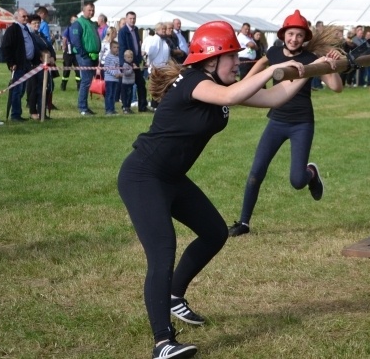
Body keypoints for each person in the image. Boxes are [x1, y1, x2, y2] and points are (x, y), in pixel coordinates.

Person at [117, 20, 312, 359]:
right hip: (143, 176)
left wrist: (311, 68)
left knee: (214, 233)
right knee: (162, 252)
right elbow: (232, 95)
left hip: (172, 177)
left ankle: (174, 296)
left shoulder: (219, 84)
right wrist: (272, 67)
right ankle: (162, 343)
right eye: (231, 57)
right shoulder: (197, 82)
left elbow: (274, 97)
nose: (237, 63)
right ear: (211, 58)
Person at [228, 10, 343, 237]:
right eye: (291, 34)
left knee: (297, 181)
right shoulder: (273, 52)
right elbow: (259, 67)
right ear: (283, 34)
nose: (294, 39)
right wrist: (243, 85)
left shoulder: (311, 59)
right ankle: (244, 222)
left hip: (301, 123)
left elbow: (336, 87)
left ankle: (311, 172)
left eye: (299, 35)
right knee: (256, 172)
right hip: (276, 121)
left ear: (305, 37)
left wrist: (333, 65)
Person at [2, 8, 37, 122]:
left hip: (27, 63)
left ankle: (17, 113)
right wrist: (11, 63)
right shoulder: (13, 29)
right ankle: (15, 115)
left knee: (22, 90)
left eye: (27, 16)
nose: (26, 18)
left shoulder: (26, 29)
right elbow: (6, 47)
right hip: (18, 64)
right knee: (17, 90)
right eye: (24, 16)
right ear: (16, 17)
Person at [70, 2, 101, 116]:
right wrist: (83, 54)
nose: (91, 12)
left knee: (88, 81)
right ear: (83, 10)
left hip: (93, 56)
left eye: (93, 10)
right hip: (85, 56)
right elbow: (75, 40)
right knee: (86, 81)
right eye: (89, 10)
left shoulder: (92, 24)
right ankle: (82, 107)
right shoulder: (78, 23)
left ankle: (85, 106)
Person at [118, 11, 149, 112]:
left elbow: (137, 46)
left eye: (134, 18)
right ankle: (126, 107)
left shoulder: (135, 30)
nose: (132, 20)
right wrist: (128, 63)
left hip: (136, 62)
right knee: (127, 86)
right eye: (130, 18)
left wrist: (139, 59)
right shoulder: (123, 31)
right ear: (126, 19)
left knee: (141, 84)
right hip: (127, 63)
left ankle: (142, 107)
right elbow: (123, 48)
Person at [60, 15, 80, 92]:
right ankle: (63, 85)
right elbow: (64, 38)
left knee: (78, 70)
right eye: (73, 20)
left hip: (77, 53)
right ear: (71, 21)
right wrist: (64, 47)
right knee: (67, 69)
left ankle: (79, 85)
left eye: (76, 20)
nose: (75, 22)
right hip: (68, 53)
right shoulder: (68, 29)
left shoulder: (79, 29)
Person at [102, 41, 121, 116]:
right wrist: (114, 74)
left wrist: (119, 73)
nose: (116, 49)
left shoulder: (117, 58)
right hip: (109, 79)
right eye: (114, 47)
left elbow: (117, 67)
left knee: (113, 95)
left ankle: (112, 109)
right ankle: (108, 110)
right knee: (109, 94)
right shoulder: (108, 57)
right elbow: (106, 68)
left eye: (117, 47)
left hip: (115, 79)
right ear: (110, 48)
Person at [120, 49, 136, 114]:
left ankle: (128, 107)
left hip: (131, 83)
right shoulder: (125, 65)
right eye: (128, 57)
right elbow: (126, 73)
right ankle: (125, 107)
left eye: (131, 57)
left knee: (130, 96)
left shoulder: (132, 64)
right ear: (125, 58)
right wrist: (132, 69)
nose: (130, 59)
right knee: (125, 96)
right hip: (125, 83)